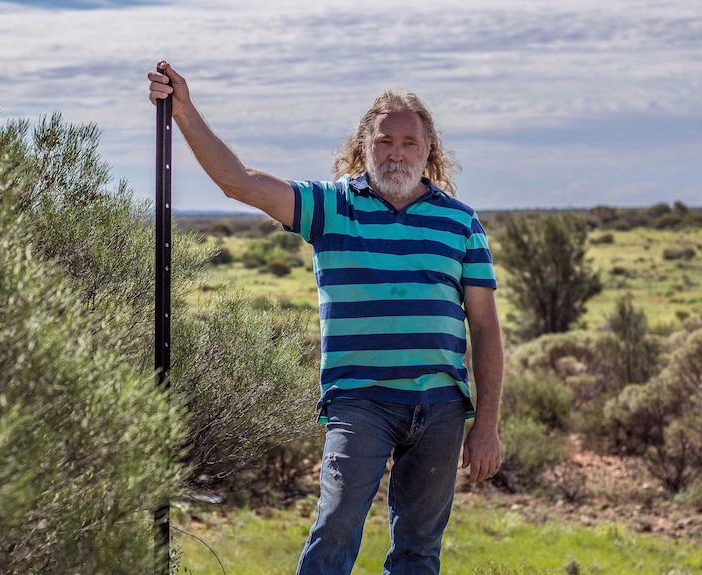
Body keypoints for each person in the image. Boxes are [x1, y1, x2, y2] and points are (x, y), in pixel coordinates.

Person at [148, 61, 503, 575]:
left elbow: (486, 328)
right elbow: (238, 182)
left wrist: (486, 424)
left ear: (429, 151)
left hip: (441, 404)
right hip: (360, 401)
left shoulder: (460, 221)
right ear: (364, 146)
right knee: (334, 532)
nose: (396, 152)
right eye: (384, 141)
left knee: (419, 550)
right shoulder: (332, 207)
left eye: (409, 142)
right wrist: (183, 110)